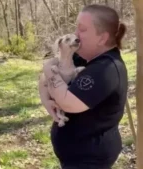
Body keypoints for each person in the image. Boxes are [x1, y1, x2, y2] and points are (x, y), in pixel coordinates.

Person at [38, 4, 128, 169]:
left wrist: (49, 68)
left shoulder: (106, 69)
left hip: (90, 159)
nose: (76, 35)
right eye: (76, 29)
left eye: (83, 30)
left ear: (102, 38)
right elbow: (43, 79)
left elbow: (67, 102)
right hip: (76, 157)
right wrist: (46, 100)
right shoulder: (84, 59)